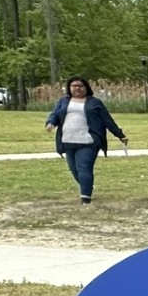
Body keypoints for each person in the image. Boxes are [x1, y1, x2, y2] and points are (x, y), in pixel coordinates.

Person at [45, 76, 127, 204]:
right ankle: (87, 186)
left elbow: (107, 120)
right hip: (68, 141)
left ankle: (85, 198)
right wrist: (50, 123)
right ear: (69, 88)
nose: (77, 88)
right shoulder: (63, 101)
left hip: (88, 142)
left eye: (80, 86)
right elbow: (55, 114)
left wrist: (120, 135)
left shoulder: (94, 102)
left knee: (84, 168)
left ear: (86, 87)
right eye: (74, 86)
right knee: (75, 171)